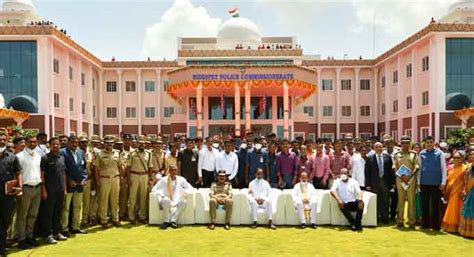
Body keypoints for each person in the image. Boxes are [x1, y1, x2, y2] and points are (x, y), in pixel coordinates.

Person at [15, 135, 42, 249]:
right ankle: (21, 238)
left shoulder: (38, 155)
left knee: (33, 214)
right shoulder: (19, 156)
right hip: (25, 188)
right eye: (30, 142)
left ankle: (29, 236)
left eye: (34, 142)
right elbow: (17, 173)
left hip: (37, 188)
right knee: (22, 215)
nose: (32, 144)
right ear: (25, 142)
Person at [40, 137, 67, 244]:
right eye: (53, 144)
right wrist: (44, 190)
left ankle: (57, 232)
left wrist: (64, 188)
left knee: (58, 212)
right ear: (49, 145)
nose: (56, 146)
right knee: (48, 213)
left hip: (60, 190)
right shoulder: (45, 158)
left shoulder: (61, 157)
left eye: (57, 144)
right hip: (49, 190)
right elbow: (42, 175)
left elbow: (63, 174)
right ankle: (48, 234)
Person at [60, 135, 88, 236]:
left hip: (80, 184)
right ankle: (64, 228)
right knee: (66, 208)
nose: (74, 144)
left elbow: (84, 167)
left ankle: (76, 227)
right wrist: (69, 180)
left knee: (77, 206)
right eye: (72, 142)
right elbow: (63, 168)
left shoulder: (81, 152)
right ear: (68, 142)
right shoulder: (63, 152)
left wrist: (85, 178)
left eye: (76, 142)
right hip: (69, 185)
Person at [417, 136, 447, 231]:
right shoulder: (421, 153)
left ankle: (435, 225)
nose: (429, 144)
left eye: (431, 142)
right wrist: (418, 182)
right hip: (424, 182)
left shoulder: (440, 153)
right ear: (425, 144)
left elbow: (443, 168)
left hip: (436, 183)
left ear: (434, 143)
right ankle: (425, 224)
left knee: (435, 205)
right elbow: (420, 169)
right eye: (427, 142)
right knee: (424, 204)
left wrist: (443, 182)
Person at [0, 132, 22, 255]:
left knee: (5, 220)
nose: (2, 141)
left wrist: (19, 188)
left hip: (8, 195)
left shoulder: (13, 157)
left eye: (4, 139)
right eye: (0, 139)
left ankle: (2, 246)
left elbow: (18, 173)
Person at [94, 135, 123, 228]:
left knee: (115, 200)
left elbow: (120, 166)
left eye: (111, 143)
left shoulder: (117, 153)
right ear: (104, 144)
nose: (109, 145)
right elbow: (96, 168)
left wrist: (121, 177)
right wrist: (97, 180)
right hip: (104, 179)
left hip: (115, 178)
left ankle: (115, 218)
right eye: (107, 143)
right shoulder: (99, 154)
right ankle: (103, 220)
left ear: (113, 144)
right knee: (104, 200)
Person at [393, 135, 419, 228]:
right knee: (400, 201)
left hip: (411, 180)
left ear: (410, 143)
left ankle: (411, 221)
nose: (405, 145)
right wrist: (401, 176)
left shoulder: (414, 154)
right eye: (403, 143)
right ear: (400, 143)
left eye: (407, 143)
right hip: (400, 180)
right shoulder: (397, 154)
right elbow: (394, 167)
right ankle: (400, 220)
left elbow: (416, 166)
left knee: (411, 201)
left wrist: (409, 176)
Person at [365, 142, 394, 224]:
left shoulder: (387, 157)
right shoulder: (370, 158)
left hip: (385, 182)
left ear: (383, 148)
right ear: (374, 148)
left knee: (386, 200)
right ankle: (376, 218)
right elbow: (367, 172)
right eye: (377, 147)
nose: (378, 148)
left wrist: (393, 183)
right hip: (374, 183)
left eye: (380, 147)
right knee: (376, 201)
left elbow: (391, 171)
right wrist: (368, 184)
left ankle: (385, 218)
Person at [127, 135, 153, 224]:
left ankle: (142, 216)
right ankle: (131, 216)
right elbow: (128, 167)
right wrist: (129, 178)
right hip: (134, 175)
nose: (142, 145)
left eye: (143, 143)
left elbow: (150, 167)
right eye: (140, 143)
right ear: (137, 143)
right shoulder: (132, 153)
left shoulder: (149, 154)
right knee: (132, 197)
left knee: (143, 197)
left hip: (144, 176)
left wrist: (150, 178)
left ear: (145, 144)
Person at [441, 151, 467, 233]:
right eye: (454, 157)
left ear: (462, 158)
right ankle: (449, 226)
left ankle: (459, 227)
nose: (456, 159)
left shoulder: (465, 168)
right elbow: (446, 178)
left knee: (458, 210)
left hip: (459, 192)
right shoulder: (450, 167)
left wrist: (464, 190)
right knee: (451, 209)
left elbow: (466, 181)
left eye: (458, 158)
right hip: (450, 191)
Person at [79, 136, 98, 228]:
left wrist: (94, 181)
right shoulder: (76, 153)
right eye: (82, 142)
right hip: (78, 182)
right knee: (78, 203)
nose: (84, 144)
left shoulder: (91, 155)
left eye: (85, 142)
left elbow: (93, 169)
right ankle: (75, 222)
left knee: (87, 201)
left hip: (88, 180)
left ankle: (85, 220)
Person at [458, 150, 474, 238]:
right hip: (468, 192)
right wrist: (464, 190)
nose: (472, 156)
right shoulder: (468, 167)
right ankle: (467, 232)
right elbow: (465, 180)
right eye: (471, 154)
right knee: (467, 210)